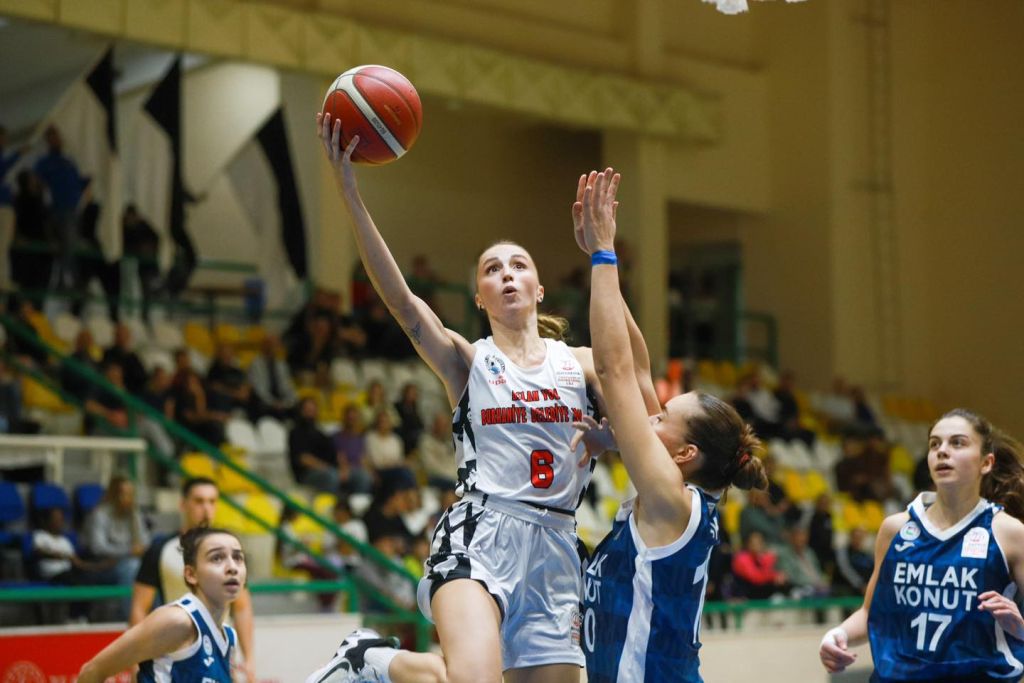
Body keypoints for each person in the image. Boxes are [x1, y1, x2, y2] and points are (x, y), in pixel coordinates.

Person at [305, 125, 651, 683]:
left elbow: (644, 396)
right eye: (492, 269)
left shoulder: (581, 362)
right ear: (479, 297)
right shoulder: (470, 360)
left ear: (539, 289)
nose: (506, 274)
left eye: (518, 265)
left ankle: (377, 663)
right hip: (481, 535)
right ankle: (377, 662)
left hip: (559, 547)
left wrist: (615, 437)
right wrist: (349, 190)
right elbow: (401, 302)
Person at [574, 167, 768, 681]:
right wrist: (607, 266)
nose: (647, 416)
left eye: (662, 418)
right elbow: (638, 368)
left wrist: (602, 256)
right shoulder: (670, 499)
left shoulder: (668, 498)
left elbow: (614, 371)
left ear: (685, 455)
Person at [819, 408, 1024, 682]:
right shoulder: (896, 529)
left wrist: (1020, 629)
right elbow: (871, 612)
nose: (942, 451)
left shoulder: (1009, 533)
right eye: (934, 444)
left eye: (957, 443)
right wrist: (838, 634)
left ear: (986, 463)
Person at [77, 526, 245, 683]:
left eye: (238, 557)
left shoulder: (229, 637)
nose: (232, 567)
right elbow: (92, 671)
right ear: (191, 574)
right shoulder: (177, 621)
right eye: (217, 558)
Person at [130, 478, 256, 682]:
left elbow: (242, 607)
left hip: (223, 654)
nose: (206, 508)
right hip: (175, 654)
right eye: (199, 501)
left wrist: (249, 659)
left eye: (212, 501)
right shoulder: (160, 550)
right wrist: (136, 660)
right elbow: (139, 609)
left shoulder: (230, 552)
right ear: (183, 504)